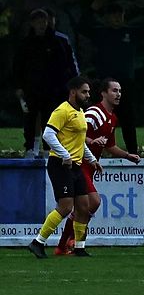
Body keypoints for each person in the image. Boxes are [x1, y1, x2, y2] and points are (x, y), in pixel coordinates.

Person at [55, 78, 142, 255]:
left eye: (120, 91)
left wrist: (127, 156)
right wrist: (91, 141)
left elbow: (110, 146)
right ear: (103, 93)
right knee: (92, 202)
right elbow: (77, 133)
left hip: (90, 166)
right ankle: (68, 242)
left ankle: (65, 244)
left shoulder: (112, 118)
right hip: (80, 164)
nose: (118, 94)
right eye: (114, 90)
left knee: (85, 207)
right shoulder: (94, 113)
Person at [26, 76, 104, 259]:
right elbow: (48, 134)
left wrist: (92, 160)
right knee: (65, 207)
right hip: (60, 165)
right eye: (84, 92)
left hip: (75, 166)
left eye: (88, 92)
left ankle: (79, 247)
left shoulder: (80, 112)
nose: (88, 95)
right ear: (73, 92)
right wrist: (65, 155)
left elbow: (79, 141)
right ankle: (38, 242)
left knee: (83, 207)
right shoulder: (62, 110)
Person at [14, 8, 77, 158]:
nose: (41, 25)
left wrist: (73, 82)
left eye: (44, 21)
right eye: (38, 22)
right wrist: (19, 86)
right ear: (32, 24)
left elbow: (69, 64)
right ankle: (30, 148)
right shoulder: (26, 43)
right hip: (32, 88)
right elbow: (18, 66)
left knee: (50, 119)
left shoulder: (58, 42)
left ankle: (49, 149)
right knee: (30, 118)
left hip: (53, 88)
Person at [91, 2, 139, 154]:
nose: (117, 18)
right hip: (105, 83)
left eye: (120, 15)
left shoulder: (131, 33)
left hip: (125, 83)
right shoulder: (101, 34)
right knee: (100, 117)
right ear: (107, 17)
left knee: (127, 118)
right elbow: (82, 26)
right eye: (114, 15)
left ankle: (133, 151)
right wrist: (92, 8)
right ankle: (96, 149)